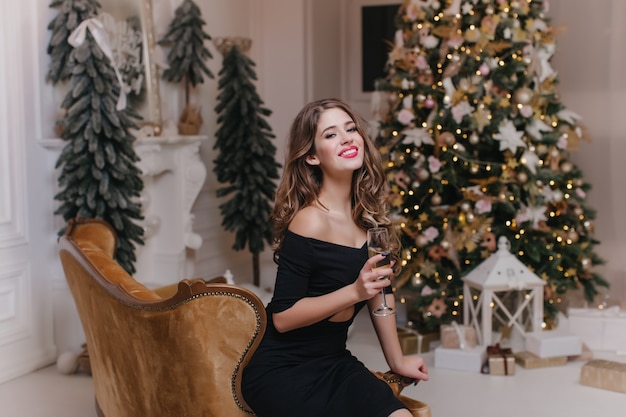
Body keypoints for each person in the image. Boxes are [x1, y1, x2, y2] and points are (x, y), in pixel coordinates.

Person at [241, 98, 429, 417]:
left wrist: (396, 361)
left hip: (335, 362)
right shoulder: (309, 219)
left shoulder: (368, 219)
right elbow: (282, 318)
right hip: (283, 370)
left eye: (350, 128)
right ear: (312, 156)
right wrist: (355, 291)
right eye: (330, 134)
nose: (345, 138)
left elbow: (380, 292)